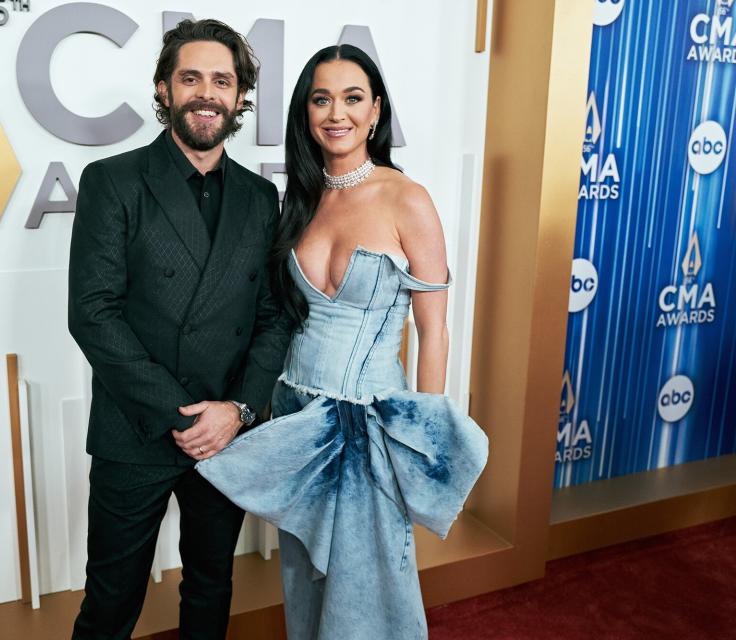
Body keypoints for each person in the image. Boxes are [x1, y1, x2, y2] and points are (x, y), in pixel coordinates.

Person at [197, 45, 489, 639]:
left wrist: (420, 437)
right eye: (321, 98)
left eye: (353, 97)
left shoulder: (408, 198)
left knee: (370, 596)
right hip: (299, 420)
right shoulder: (299, 201)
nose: (337, 112)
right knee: (306, 586)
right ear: (306, 113)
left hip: (373, 427)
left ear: (376, 110)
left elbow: (433, 328)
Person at [67, 19, 290, 640]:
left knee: (211, 589)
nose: (206, 92)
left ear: (240, 96)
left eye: (222, 80)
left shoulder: (258, 198)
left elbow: (272, 317)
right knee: (111, 602)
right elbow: (93, 313)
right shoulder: (113, 182)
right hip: (134, 430)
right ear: (163, 88)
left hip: (225, 433)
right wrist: (184, 414)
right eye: (190, 77)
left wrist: (239, 409)